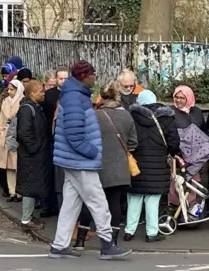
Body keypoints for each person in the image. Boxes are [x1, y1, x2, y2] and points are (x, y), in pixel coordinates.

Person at [49, 60, 131, 260]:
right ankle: (107, 245)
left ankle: (60, 245)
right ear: (84, 76)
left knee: (71, 204)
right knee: (98, 202)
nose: (95, 77)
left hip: (72, 159)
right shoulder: (76, 98)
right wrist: (92, 151)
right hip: (80, 161)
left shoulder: (72, 95)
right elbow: (74, 134)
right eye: (93, 74)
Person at [73, 81, 138, 250]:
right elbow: (133, 143)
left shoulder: (93, 115)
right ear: (118, 97)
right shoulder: (127, 116)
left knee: (89, 202)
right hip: (119, 167)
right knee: (114, 203)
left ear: (101, 96)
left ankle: (80, 239)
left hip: (96, 165)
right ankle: (113, 241)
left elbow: (84, 139)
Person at [125, 90, 180, 242]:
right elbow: (174, 143)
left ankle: (129, 231)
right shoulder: (166, 118)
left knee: (134, 198)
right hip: (158, 164)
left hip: (136, 164)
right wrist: (170, 152)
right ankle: (151, 233)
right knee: (152, 200)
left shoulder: (132, 117)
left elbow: (127, 139)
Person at [16, 80, 50, 230]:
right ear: (32, 93)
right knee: (29, 187)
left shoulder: (34, 107)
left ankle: (28, 215)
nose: (43, 93)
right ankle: (26, 219)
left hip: (34, 155)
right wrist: (34, 148)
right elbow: (24, 132)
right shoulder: (27, 109)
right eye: (40, 91)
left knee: (32, 185)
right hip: (30, 156)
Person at [41, 66, 69, 217]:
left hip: (66, 140)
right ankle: (51, 204)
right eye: (61, 78)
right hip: (52, 139)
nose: (63, 81)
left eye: (66, 78)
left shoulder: (72, 94)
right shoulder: (50, 95)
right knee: (52, 174)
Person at [0, 79, 25, 202]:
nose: (9, 92)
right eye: (8, 89)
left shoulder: (22, 102)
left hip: (16, 137)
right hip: (6, 135)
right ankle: (12, 191)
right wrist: (0, 132)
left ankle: (19, 192)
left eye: (12, 90)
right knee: (8, 167)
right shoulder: (5, 102)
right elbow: (1, 119)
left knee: (18, 166)